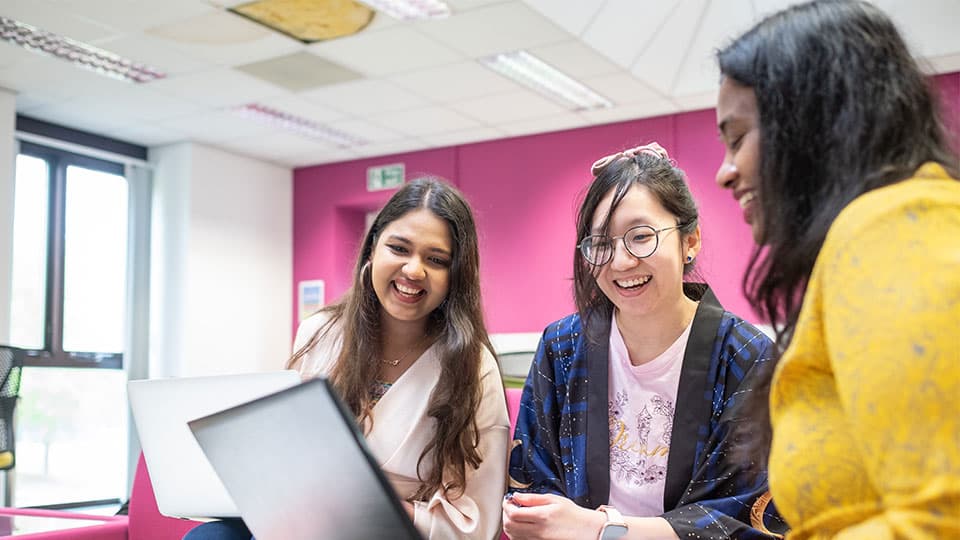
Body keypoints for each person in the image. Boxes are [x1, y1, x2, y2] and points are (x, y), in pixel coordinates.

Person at [714, 1, 960, 538]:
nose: (724, 174)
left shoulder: (888, 228)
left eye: (737, 139)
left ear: (807, 123)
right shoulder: (879, 232)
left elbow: (942, 517)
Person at [185, 177, 510, 539]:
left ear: (455, 276)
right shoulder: (320, 333)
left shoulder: (473, 367)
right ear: (373, 250)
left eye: (436, 260)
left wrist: (372, 507)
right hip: (309, 521)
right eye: (399, 248)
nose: (414, 270)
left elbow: (478, 525)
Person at [503, 143, 785, 540]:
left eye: (641, 236)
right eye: (601, 244)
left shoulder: (746, 357)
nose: (620, 262)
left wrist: (604, 530)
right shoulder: (562, 347)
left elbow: (748, 514)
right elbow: (531, 483)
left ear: (691, 241)